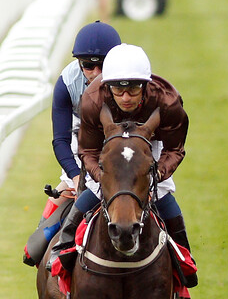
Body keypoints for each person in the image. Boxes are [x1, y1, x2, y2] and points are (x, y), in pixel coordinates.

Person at [48, 44, 198, 289]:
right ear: (107, 86)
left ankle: (184, 260)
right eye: (118, 89)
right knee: (93, 192)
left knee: (164, 196)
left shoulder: (168, 102)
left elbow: (174, 149)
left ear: (146, 85)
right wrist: (101, 175)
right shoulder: (93, 101)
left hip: (152, 143)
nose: (126, 97)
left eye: (134, 89)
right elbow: (88, 150)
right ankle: (63, 247)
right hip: (108, 145)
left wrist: (157, 173)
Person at [22, 21, 121, 267]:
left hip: (123, 156)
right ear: (79, 63)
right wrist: (76, 177)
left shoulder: (130, 80)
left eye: (103, 64)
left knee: (161, 206)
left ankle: (181, 265)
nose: (95, 72)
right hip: (81, 154)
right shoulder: (67, 82)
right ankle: (54, 254)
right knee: (35, 249)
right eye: (88, 65)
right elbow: (61, 140)